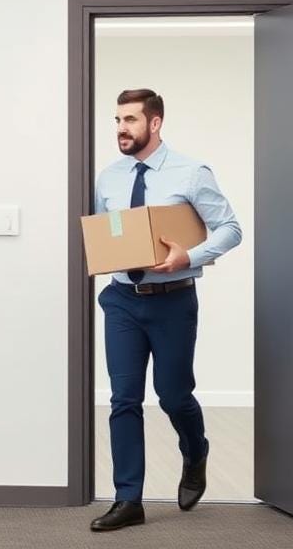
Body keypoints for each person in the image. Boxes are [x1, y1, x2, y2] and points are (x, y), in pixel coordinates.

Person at [90, 89, 242, 532]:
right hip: (121, 300)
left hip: (173, 299)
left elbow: (231, 229)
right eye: (118, 119)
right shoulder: (109, 178)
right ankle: (128, 499)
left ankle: (195, 451)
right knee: (124, 399)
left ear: (154, 123)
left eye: (131, 120)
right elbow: (108, 231)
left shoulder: (191, 172)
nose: (121, 128)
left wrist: (188, 257)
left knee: (173, 395)